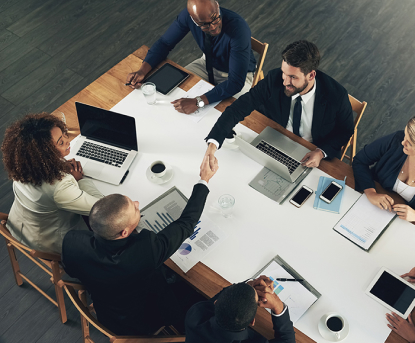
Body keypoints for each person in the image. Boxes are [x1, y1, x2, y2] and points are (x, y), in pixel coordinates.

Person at [61, 155, 219, 335]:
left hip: (106, 313)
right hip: (143, 323)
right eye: (135, 209)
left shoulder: (72, 241)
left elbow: (73, 271)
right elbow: (186, 223)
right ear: (124, 233)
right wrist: (204, 180)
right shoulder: (145, 250)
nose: (137, 204)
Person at [203, 40, 354, 169]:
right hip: (274, 139)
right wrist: (213, 144)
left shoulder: (337, 96)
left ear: (311, 75)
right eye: (284, 73)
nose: (285, 82)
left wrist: (321, 152)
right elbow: (239, 107)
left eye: (293, 77)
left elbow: (345, 131)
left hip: (312, 152)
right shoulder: (275, 79)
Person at [126, 0, 257, 113]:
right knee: (172, 92)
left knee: (231, 115)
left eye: (215, 18)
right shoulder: (186, 16)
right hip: (207, 63)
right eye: (204, 24)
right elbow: (165, 43)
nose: (213, 27)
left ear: (217, 6)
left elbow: (235, 82)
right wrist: (142, 70)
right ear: (193, 20)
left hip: (239, 75)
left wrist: (198, 102)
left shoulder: (239, 29)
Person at [1, 113, 103, 254]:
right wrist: (81, 180)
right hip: (48, 243)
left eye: (64, 135)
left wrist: (61, 166)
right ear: (44, 154)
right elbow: (102, 208)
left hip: (19, 226)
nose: (68, 141)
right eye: (61, 142)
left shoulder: (23, 165)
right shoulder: (59, 187)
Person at [185, 275, 296, 343]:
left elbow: (225, 295)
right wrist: (278, 306)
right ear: (252, 321)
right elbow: (287, 341)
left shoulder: (196, 315)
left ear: (216, 302)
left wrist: (248, 285)